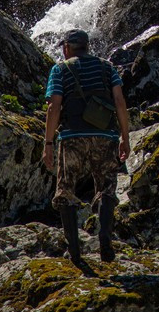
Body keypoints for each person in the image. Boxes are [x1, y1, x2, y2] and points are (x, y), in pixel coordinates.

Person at [43, 28, 130, 266]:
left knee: (66, 191)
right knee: (106, 188)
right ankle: (104, 236)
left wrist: (48, 143)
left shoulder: (60, 69)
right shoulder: (107, 67)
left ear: (66, 48)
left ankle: (75, 253)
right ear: (87, 46)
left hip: (72, 138)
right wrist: (125, 137)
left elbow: (54, 107)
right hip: (105, 136)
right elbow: (120, 102)